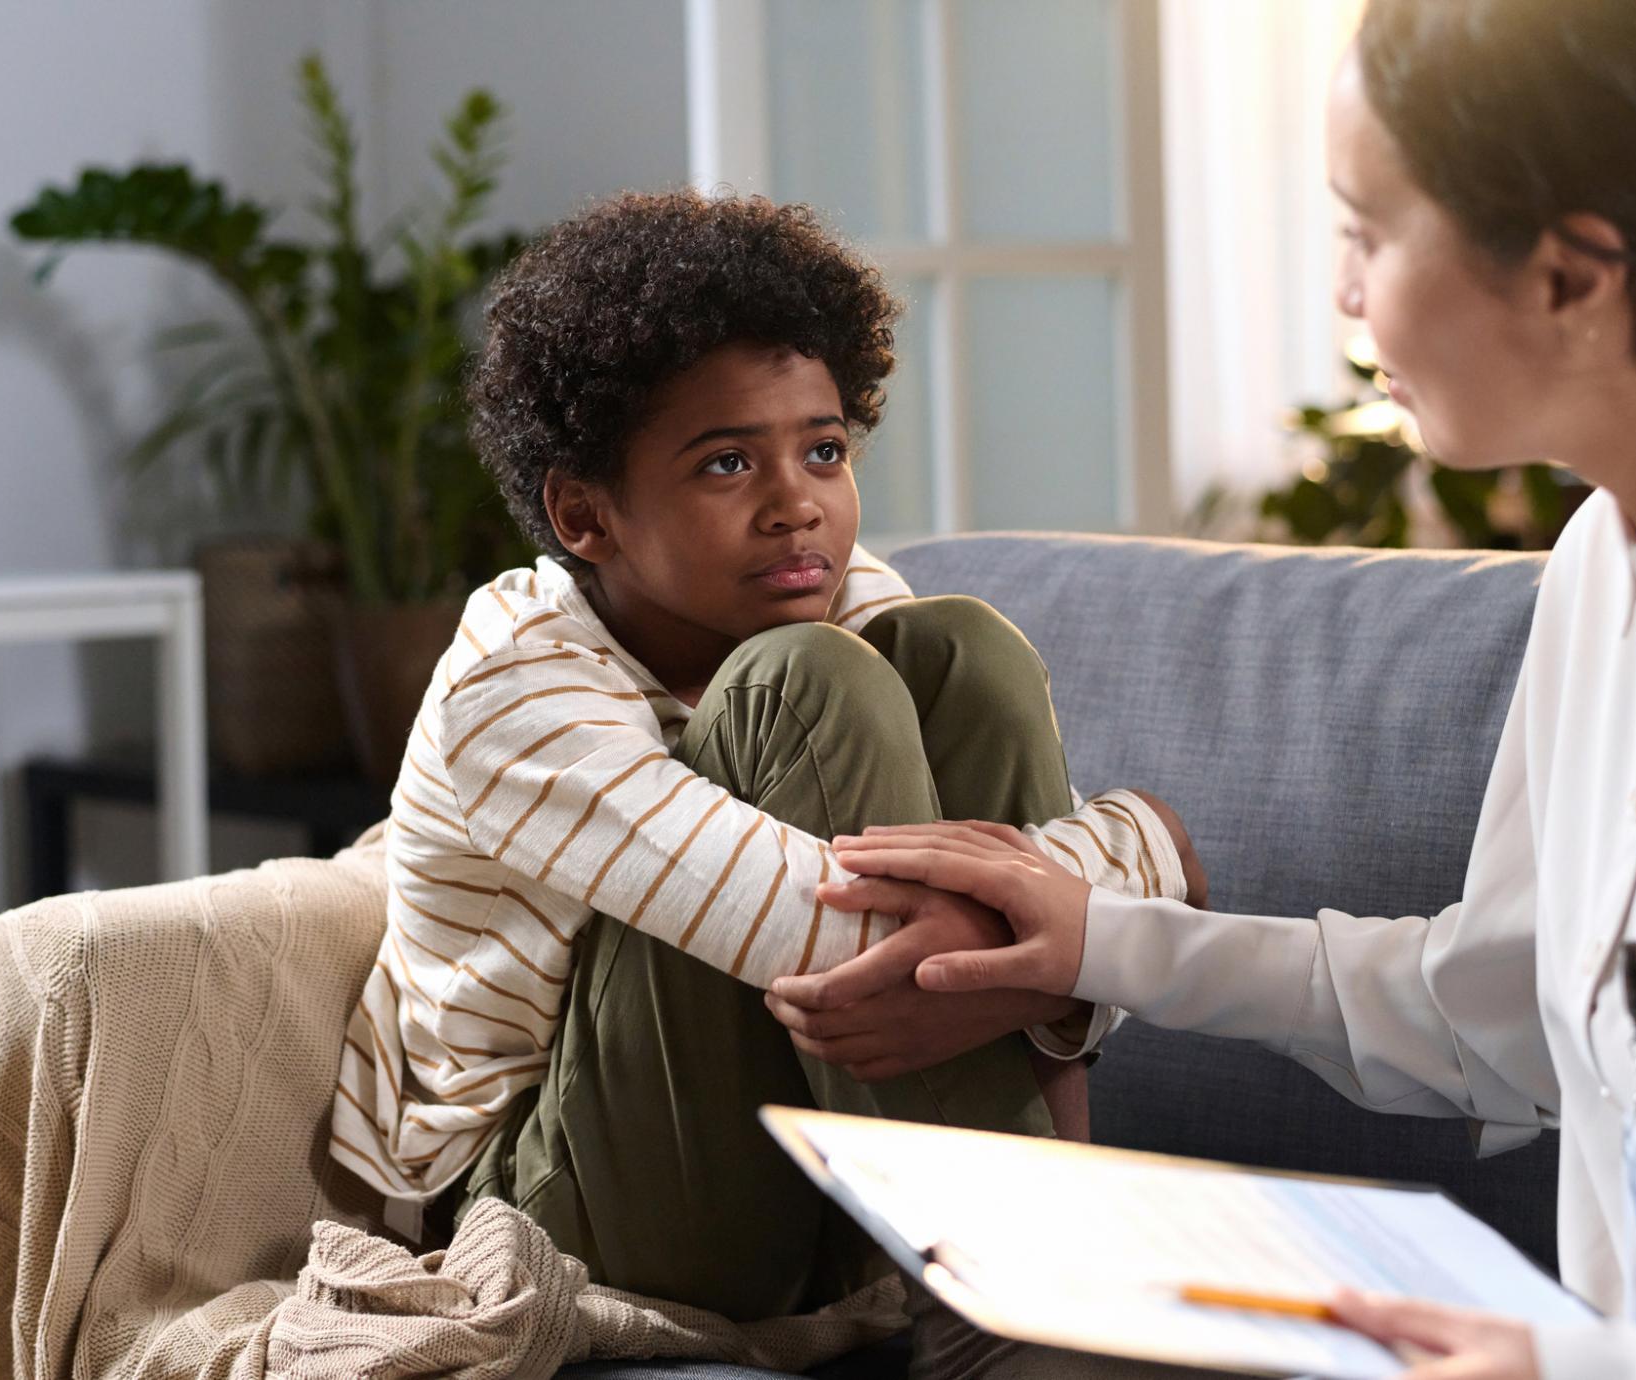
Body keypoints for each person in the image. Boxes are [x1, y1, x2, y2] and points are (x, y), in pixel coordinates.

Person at [768, 1, 1636, 1376]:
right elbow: (1498, 1014)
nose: (1346, 294)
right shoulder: (1606, 568)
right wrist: (1096, 940)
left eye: (1368, 231)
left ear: (1574, 277)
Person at [326, 189, 1199, 1369]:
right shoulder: (515, 688)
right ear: (585, 514)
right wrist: (1138, 863)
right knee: (801, 685)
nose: (798, 505)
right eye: (727, 462)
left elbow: (988, 943)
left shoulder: (851, 600)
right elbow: (854, 950)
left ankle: (1033, 1261)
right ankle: (1010, 1310)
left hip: (808, 1166)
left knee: (965, 652)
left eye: (824, 450)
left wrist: (1075, 934)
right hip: (546, 1199)